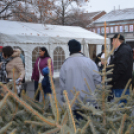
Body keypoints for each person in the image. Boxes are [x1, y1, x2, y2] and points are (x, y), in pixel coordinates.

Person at [60, 39, 101, 119]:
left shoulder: (65, 65)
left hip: (73, 103)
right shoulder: (90, 62)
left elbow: (62, 85)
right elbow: (98, 81)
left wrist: (64, 99)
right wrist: (98, 99)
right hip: (90, 102)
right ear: (80, 49)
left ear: (70, 50)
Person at [108, 34, 133, 103]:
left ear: (116, 40)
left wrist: (112, 78)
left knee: (120, 109)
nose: (112, 43)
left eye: (112, 41)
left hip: (121, 86)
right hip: (121, 85)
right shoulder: (122, 50)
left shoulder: (123, 51)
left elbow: (121, 68)